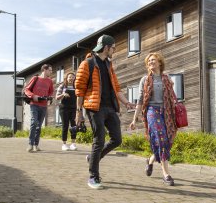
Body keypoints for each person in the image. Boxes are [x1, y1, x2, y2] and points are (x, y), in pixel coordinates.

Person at [75, 34, 135, 189]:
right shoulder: (87, 64)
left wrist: (126, 102)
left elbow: (117, 88)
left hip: (110, 108)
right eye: (113, 48)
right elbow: (80, 90)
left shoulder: (109, 65)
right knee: (99, 140)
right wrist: (78, 112)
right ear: (106, 47)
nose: (114, 50)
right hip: (94, 108)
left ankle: (93, 158)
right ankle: (93, 177)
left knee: (117, 139)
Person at [129, 52, 178, 186]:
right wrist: (135, 119)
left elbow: (172, 97)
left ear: (160, 63)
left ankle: (150, 161)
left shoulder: (166, 78)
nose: (150, 62)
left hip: (166, 112)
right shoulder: (145, 80)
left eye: (153, 60)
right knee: (161, 139)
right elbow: (139, 100)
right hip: (152, 111)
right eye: (149, 61)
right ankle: (166, 174)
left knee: (166, 141)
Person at [24, 64, 54, 152]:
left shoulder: (50, 81)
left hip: (44, 106)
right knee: (34, 122)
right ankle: (30, 144)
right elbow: (26, 90)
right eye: (50, 70)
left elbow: (51, 92)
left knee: (39, 126)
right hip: (34, 104)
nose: (51, 72)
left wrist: (48, 98)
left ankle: (36, 145)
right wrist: (33, 95)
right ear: (44, 70)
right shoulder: (35, 78)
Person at [56, 72, 78, 151]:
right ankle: (64, 144)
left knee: (73, 126)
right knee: (65, 126)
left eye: (72, 77)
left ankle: (73, 144)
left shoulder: (76, 86)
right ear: (66, 78)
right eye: (69, 77)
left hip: (73, 108)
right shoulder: (62, 86)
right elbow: (57, 97)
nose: (71, 78)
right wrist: (63, 94)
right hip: (64, 108)